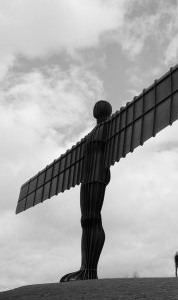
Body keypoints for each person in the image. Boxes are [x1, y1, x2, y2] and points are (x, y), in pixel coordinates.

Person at [60, 100, 112, 282]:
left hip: (98, 177)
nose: (97, 110)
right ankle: (85, 268)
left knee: (93, 217)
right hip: (87, 179)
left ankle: (90, 271)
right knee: (86, 220)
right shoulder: (92, 134)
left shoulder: (110, 127)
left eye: (99, 108)